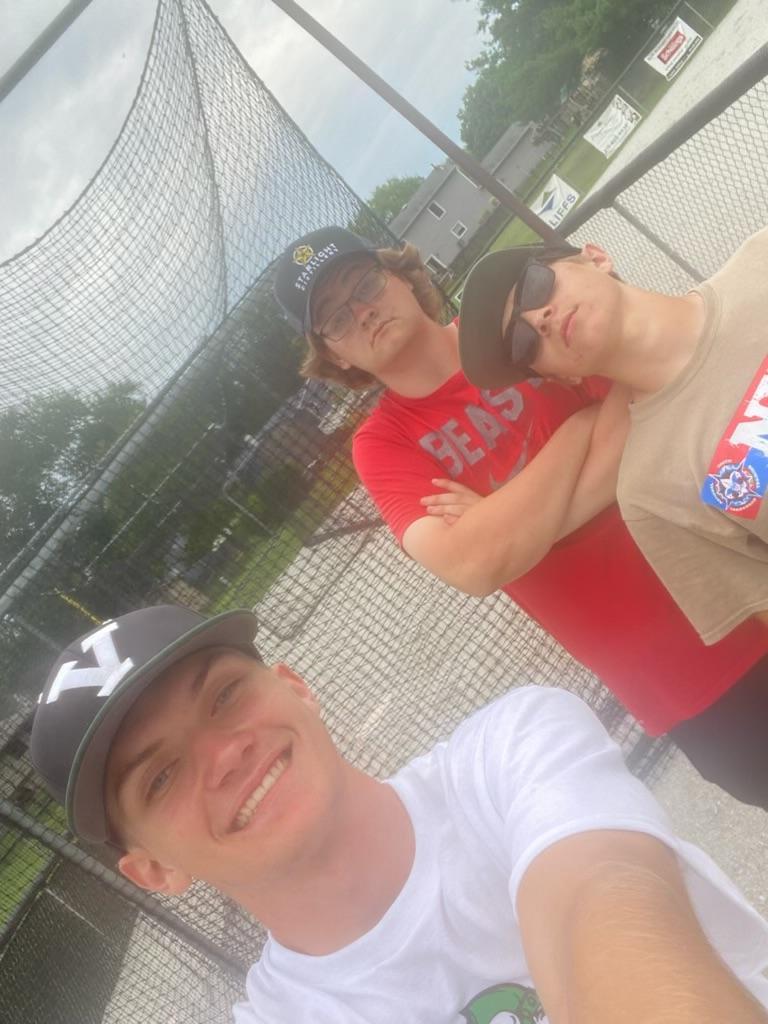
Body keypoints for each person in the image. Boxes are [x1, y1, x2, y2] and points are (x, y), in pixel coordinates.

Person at [29, 605, 768, 1023]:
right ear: (154, 869)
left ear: (296, 687)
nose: (222, 755)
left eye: (225, 695)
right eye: (160, 777)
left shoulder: (511, 749)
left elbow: (598, 893)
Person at [272, 226, 768, 808]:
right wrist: (578, 429)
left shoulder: (514, 328)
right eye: (335, 318)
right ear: (334, 354)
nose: (362, 312)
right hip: (678, 677)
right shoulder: (382, 444)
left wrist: (515, 525)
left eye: (364, 284)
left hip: (740, 566)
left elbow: (640, 409)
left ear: (401, 276)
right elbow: (473, 564)